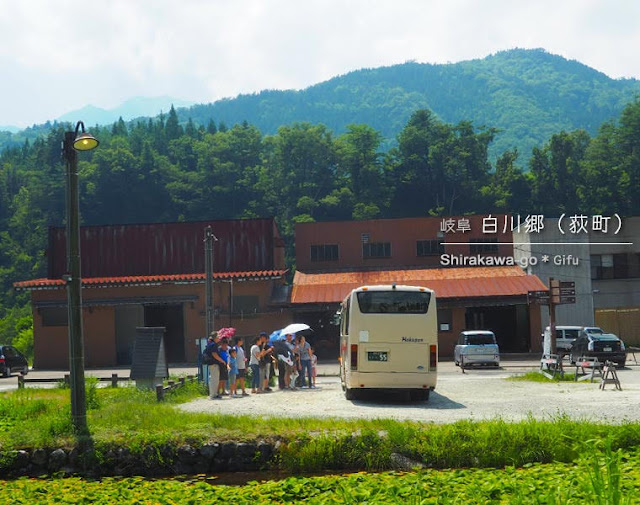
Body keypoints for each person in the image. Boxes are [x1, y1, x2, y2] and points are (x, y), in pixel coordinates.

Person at [205, 331, 226, 400]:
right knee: (215, 379)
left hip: (211, 364)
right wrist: (222, 360)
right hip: (214, 364)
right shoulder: (213, 344)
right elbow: (214, 354)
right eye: (218, 336)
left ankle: (214, 394)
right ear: (215, 337)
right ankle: (213, 395)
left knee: (214, 379)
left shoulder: (210, 343)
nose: (219, 338)